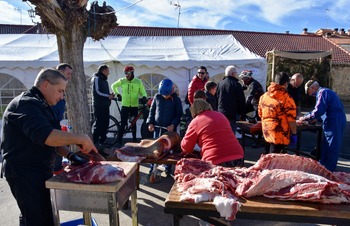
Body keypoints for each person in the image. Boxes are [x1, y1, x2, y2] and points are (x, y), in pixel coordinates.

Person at [0, 68, 97, 226]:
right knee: (37, 219)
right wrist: (81, 138)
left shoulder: (42, 105)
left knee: (39, 215)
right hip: (23, 172)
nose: (61, 96)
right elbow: (46, 136)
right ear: (45, 85)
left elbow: (55, 139)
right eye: (60, 91)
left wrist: (72, 156)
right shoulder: (26, 104)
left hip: (39, 170)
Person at [298, 80, 346, 172]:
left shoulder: (322, 92)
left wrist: (304, 118)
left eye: (309, 92)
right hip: (333, 121)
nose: (309, 95)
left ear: (313, 88)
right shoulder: (327, 92)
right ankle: (322, 167)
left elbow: (319, 111)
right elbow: (326, 110)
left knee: (331, 147)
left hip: (334, 122)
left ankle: (328, 171)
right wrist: (317, 119)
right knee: (325, 146)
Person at [180, 99, 244, 167]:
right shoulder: (220, 115)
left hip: (214, 158)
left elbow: (186, 147)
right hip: (237, 154)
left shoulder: (195, 122)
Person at [146, 79, 183, 175]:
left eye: (167, 95)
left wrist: (173, 125)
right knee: (154, 149)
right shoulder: (157, 97)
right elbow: (152, 110)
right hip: (157, 128)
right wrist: (150, 122)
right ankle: (152, 168)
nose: (165, 97)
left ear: (172, 91)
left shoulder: (176, 100)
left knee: (168, 150)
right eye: (164, 95)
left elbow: (179, 115)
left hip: (169, 130)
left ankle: (167, 167)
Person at [258, 72, 297, 153]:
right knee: (275, 160)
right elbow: (291, 120)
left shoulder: (264, 96)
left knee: (267, 157)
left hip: (266, 132)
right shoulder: (287, 99)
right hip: (280, 134)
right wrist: (294, 133)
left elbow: (260, 113)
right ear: (286, 84)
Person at [111, 65, 147, 145]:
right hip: (125, 105)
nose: (126, 75)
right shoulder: (122, 80)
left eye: (128, 73)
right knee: (123, 123)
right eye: (125, 73)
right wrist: (117, 94)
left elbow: (143, 92)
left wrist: (144, 97)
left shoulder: (138, 81)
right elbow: (113, 86)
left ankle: (134, 141)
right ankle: (119, 142)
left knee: (133, 124)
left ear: (132, 72)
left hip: (134, 106)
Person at [51, 63, 73, 174]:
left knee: (58, 145)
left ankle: (57, 167)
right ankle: (56, 168)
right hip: (51, 122)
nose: (69, 76)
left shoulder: (63, 86)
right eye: (68, 73)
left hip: (56, 121)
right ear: (60, 72)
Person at [216, 65, 246, 133]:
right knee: (231, 133)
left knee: (222, 133)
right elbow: (241, 100)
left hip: (221, 113)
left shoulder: (219, 84)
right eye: (236, 73)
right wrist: (242, 113)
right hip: (233, 114)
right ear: (233, 74)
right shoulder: (236, 84)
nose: (236, 74)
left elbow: (216, 97)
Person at [91, 64, 115, 148]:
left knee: (105, 124)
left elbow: (104, 92)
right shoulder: (96, 79)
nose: (108, 73)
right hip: (99, 106)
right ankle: (94, 142)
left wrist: (110, 95)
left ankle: (102, 142)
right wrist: (107, 96)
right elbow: (97, 92)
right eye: (108, 71)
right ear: (104, 71)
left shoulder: (105, 80)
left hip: (105, 105)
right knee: (99, 124)